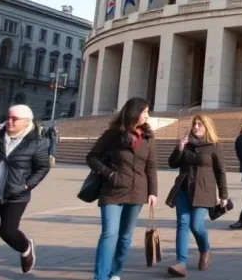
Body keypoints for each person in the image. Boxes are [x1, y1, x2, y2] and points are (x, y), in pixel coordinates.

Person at [0, 104, 49, 280]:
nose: (10, 121)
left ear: (27, 121)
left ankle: (25, 247)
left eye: (15, 118)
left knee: (8, 232)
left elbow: (43, 167)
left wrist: (27, 185)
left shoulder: (37, 142)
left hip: (16, 196)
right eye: (8, 117)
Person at [86, 97, 158, 280]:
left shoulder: (148, 137)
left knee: (125, 237)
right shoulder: (113, 134)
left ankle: (115, 272)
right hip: (112, 190)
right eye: (145, 112)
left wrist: (153, 192)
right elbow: (92, 157)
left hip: (137, 192)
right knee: (109, 233)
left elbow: (151, 166)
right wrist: (109, 174)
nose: (147, 116)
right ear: (135, 113)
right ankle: (100, 277)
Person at [165, 114, 228, 277]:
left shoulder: (214, 145)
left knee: (196, 225)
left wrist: (223, 195)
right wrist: (179, 147)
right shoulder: (186, 144)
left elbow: (220, 171)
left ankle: (205, 249)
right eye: (195, 124)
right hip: (183, 189)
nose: (197, 127)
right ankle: (181, 263)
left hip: (203, 191)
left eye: (200, 124)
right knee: (183, 223)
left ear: (207, 127)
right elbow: (172, 164)